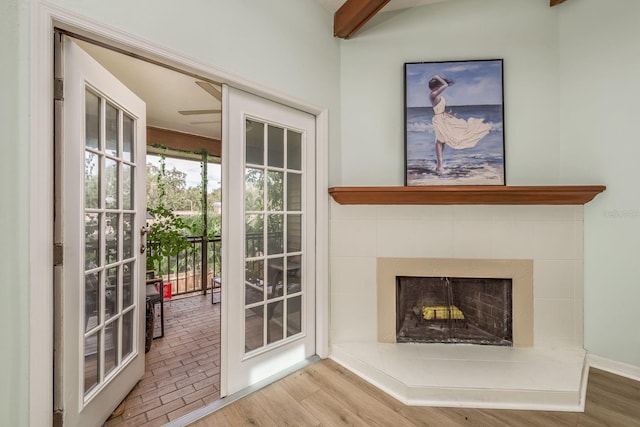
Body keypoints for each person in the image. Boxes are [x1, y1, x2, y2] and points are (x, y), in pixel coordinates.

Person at [428, 75, 491, 174]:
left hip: (443, 117)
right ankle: (439, 166)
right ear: (436, 87)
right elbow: (445, 85)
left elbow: (440, 109)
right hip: (439, 119)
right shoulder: (434, 94)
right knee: (440, 140)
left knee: (443, 140)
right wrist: (438, 77)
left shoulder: (436, 94)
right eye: (438, 85)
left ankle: (439, 165)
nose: (441, 87)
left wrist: (449, 115)